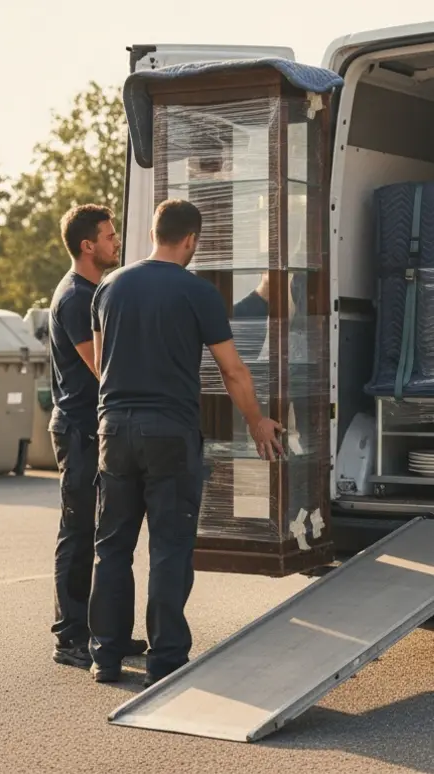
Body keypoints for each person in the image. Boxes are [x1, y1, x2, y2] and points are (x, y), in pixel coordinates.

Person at [87, 198, 284, 686]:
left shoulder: (108, 287)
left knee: (111, 547)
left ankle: (105, 658)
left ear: (155, 232)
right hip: (169, 433)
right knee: (170, 550)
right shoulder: (197, 292)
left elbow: (99, 362)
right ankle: (166, 660)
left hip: (113, 429)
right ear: (191, 240)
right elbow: (233, 370)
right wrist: (257, 421)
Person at [45, 203, 146, 669]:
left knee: (104, 534)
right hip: (80, 431)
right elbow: (101, 368)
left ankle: (106, 633)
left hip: (96, 431)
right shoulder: (76, 298)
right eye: (109, 236)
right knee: (79, 533)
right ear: (88, 246)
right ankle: (70, 638)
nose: (116, 241)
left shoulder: (92, 291)